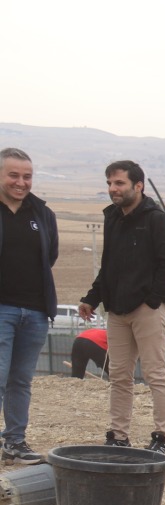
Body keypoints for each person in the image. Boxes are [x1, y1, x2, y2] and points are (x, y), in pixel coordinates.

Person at [78, 160, 165, 456]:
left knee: (155, 374)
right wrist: (92, 298)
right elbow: (109, 265)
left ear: (138, 185)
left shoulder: (157, 220)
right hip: (117, 310)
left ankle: (164, 437)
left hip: (148, 309)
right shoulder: (112, 218)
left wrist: (152, 300)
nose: (113, 189)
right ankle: (118, 436)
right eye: (110, 183)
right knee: (119, 375)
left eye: (119, 183)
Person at [0, 148, 59, 465]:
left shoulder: (42, 213)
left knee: (20, 381)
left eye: (27, 176)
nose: (21, 182)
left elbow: (51, 255)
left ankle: (14, 443)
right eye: (13, 175)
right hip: (2, 309)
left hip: (35, 311)